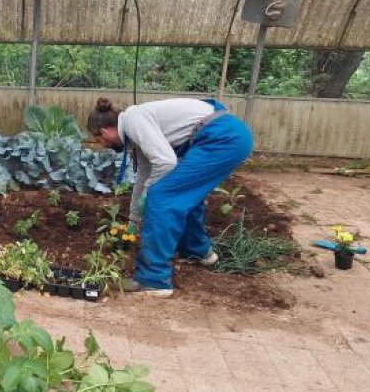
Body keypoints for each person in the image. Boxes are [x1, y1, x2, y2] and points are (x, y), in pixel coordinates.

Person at [87, 97, 253, 297]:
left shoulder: (133, 119)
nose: (103, 145)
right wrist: (134, 219)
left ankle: (153, 279)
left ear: (104, 131)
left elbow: (165, 163)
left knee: (162, 196)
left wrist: (150, 195)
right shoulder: (135, 128)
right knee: (183, 195)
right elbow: (143, 176)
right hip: (226, 136)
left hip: (221, 139)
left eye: (99, 140)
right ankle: (197, 251)